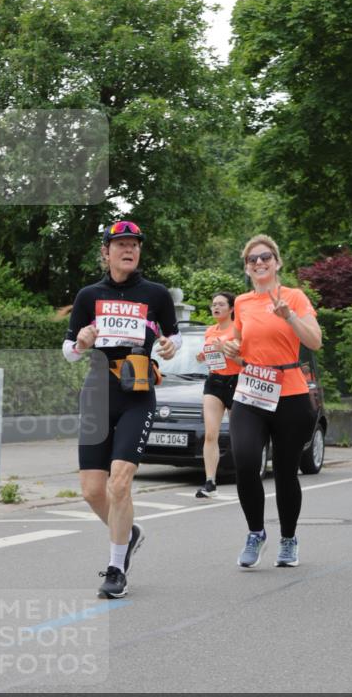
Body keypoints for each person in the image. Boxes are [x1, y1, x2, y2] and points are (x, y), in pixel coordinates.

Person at [62, 220, 180, 598]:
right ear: (106, 252)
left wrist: (170, 347)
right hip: (98, 391)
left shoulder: (156, 294)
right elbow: (68, 353)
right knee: (92, 490)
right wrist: (80, 342)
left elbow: (172, 336)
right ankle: (129, 535)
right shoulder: (88, 296)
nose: (129, 250)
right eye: (120, 245)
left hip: (137, 392)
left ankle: (115, 568)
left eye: (134, 245)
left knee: (120, 481)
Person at [221, 235, 322, 569]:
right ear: (247, 268)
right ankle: (256, 532)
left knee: (284, 471)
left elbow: (315, 341)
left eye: (265, 257)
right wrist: (230, 350)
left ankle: (289, 539)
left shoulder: (294, 296)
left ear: (277, 262)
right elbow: (237, 346)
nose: (259, 263)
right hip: (251, 391)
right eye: (252, 259)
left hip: (289, 393)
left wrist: (289, 316)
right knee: (246, 461)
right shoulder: (243, 303)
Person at [194, 292, 242, 498]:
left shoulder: (238, 329)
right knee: (211, 433)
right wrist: (202, 356)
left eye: (221, 304)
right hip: (214, 381)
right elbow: (211, 357)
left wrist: (225, 348)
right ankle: (210, 482)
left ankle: (245, 477)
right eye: (213, 304)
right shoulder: (209, 331)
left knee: (239, 434)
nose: (216, 308)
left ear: (231, 308)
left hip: (237, 381)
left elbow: (244, 359)